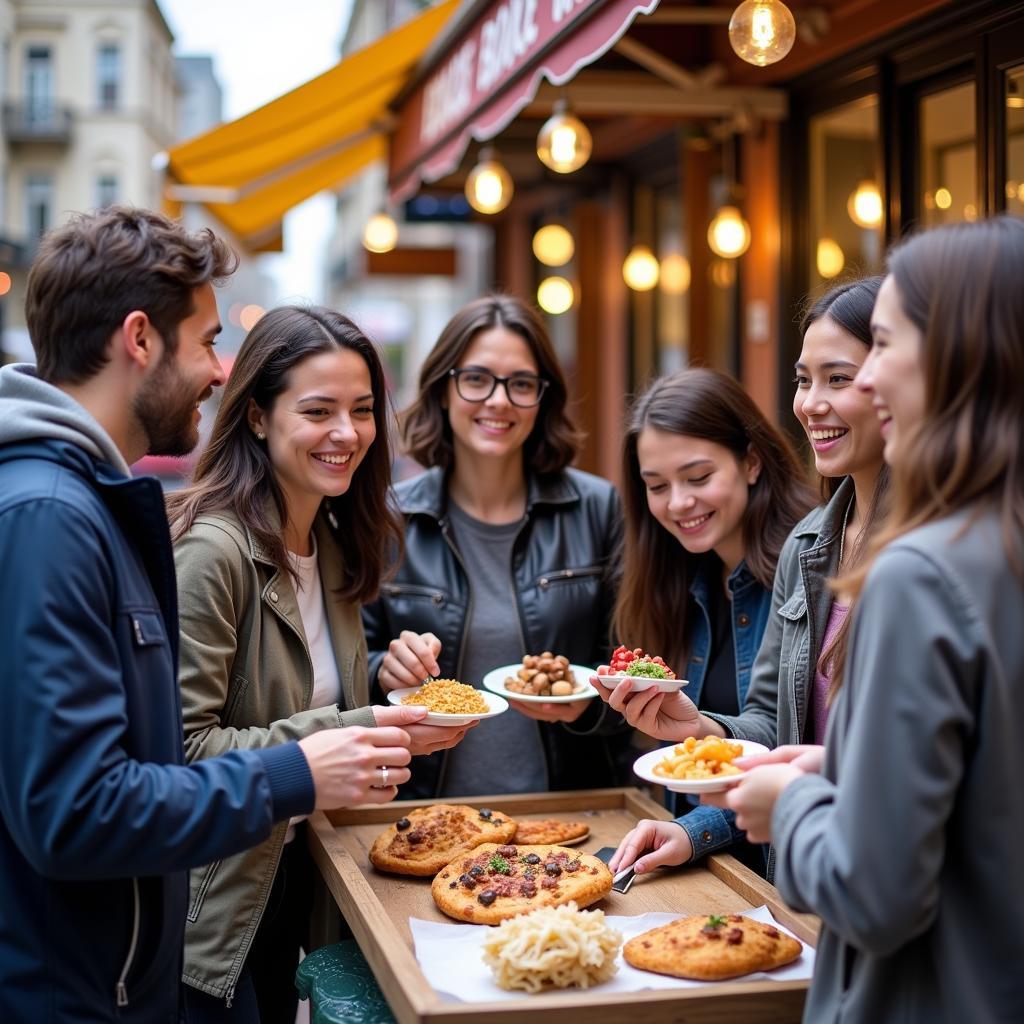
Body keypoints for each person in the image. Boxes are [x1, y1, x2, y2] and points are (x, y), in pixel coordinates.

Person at [0, 207, 421, 1024]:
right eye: (206, 341)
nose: (218, 369)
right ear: (139, 339)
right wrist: (304, 764)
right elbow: (77, 809)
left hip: (140, 969)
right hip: (90, 988)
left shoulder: (89, 504)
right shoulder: (52, 516)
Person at [716, 218, 1024, 1022]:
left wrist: (792, 804)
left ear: (962, 352)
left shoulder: (921, 572)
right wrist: (848, 773)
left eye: (881, 348)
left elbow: (876, 891)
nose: (867, 384)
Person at [167, 306, 469, 1022]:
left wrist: (391, 687)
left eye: (362, 410)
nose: (347, 433)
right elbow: (178, 754)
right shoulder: (212, 552)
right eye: (318, 410)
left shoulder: (330, 544)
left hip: (297, 889)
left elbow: (303, 705)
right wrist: (363, 723)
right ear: (258, 417)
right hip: (211, 921)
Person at [607, 280, 889, 880]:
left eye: (838, 378)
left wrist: (699, 825)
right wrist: (701, 729)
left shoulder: (938, 550)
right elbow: (771, 721)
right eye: (803, 379)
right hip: (802, 873)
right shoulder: (810, 545)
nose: (811, 402)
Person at [362, 294, 628, 798]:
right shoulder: (389, 517)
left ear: (542, 398)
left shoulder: (596, 507)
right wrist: (383, 667)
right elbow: (354, 663)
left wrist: (589, 705)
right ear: (444, 389)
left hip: (568, 810)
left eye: (521, 384)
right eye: (477, 379)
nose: (499, 400)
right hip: (426, 813)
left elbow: (628, 664)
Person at [591, 367, 816, 872]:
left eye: (698, 477)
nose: (678, 503)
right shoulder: (675, 574)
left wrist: (695, 830)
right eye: (657, 485)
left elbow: (790, 753)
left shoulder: (807, 573)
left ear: (752, 462)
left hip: (774, 879)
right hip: (706, 869)